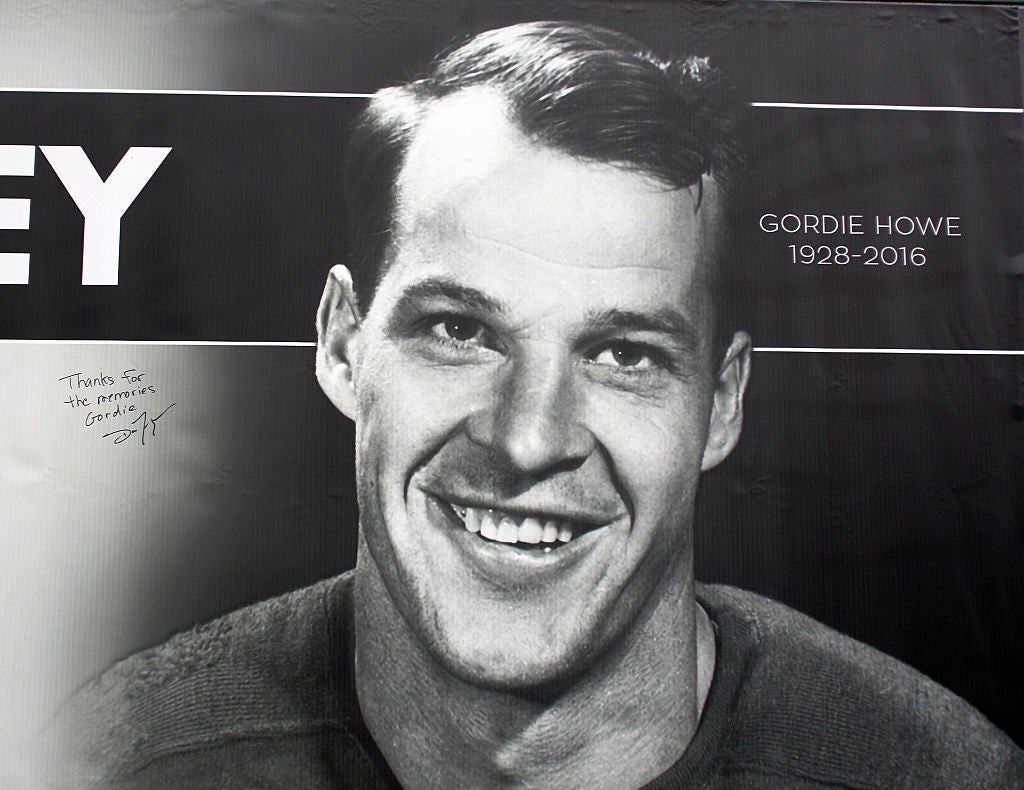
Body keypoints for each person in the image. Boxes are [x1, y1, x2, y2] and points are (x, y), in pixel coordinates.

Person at [49, 21, 1023, 788]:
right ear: (344, 343)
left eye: (621, 352)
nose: (527, 437)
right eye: (461, 331)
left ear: (721, 403)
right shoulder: (111, 762)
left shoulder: (942, 775)